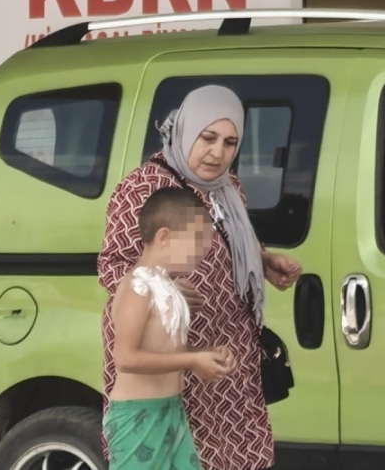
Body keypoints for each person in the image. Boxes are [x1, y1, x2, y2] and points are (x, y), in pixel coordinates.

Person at [98, 84, 303, 470]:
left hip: (227, 356)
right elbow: (112, 265)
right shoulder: (143, 187)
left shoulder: (229, 186)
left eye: (229, 142)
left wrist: (263, 260)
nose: (217, 152)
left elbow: (234, 241)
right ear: (186, 130)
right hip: (167, 365)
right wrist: (164, 288)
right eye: (207, 138)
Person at [103, 186, 238, 470]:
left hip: (172, 409)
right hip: (138, 416)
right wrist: (192, 361)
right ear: (164, 237)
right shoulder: (137, 287)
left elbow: (166, 350)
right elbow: (125, 358)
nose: (204, 250)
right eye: (197, 241)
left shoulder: (166, 286)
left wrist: (204, 355)